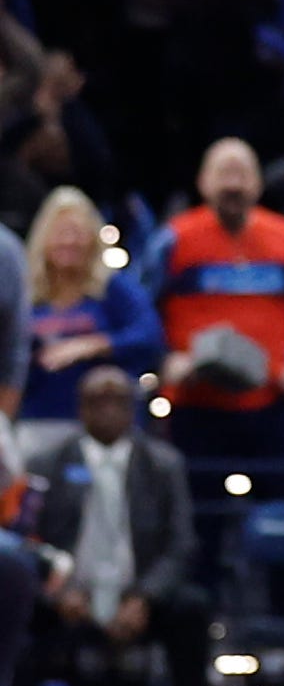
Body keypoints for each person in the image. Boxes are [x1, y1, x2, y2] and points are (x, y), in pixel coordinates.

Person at [32, 366, 211, 686]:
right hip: (70, 593)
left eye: (118, 402)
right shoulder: (46, 463)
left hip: (139, 593)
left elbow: (181, 545)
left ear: (133, 409)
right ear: (81, 409)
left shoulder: (163, 465)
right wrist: (59, 590)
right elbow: (32, 540)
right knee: (19, 605)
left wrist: (144, 597)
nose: (109, 411)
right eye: (98, 401)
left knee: (193, 609)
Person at [155, 135, 284, 465]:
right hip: (195, 402)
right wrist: (164, 360)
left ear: (258, 184)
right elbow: (143, 307)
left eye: (242, 174)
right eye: (223, 174)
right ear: (203, 182)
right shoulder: (174, 239)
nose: (233, 185)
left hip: (272, 403)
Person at [21, 188, 163, 477]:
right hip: (37, 420)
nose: (69, 241)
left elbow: (150, 336)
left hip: (105, 425)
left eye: (77, 232)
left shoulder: (113, 288)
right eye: (61, 232)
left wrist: (94, 345)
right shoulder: (27, 293)